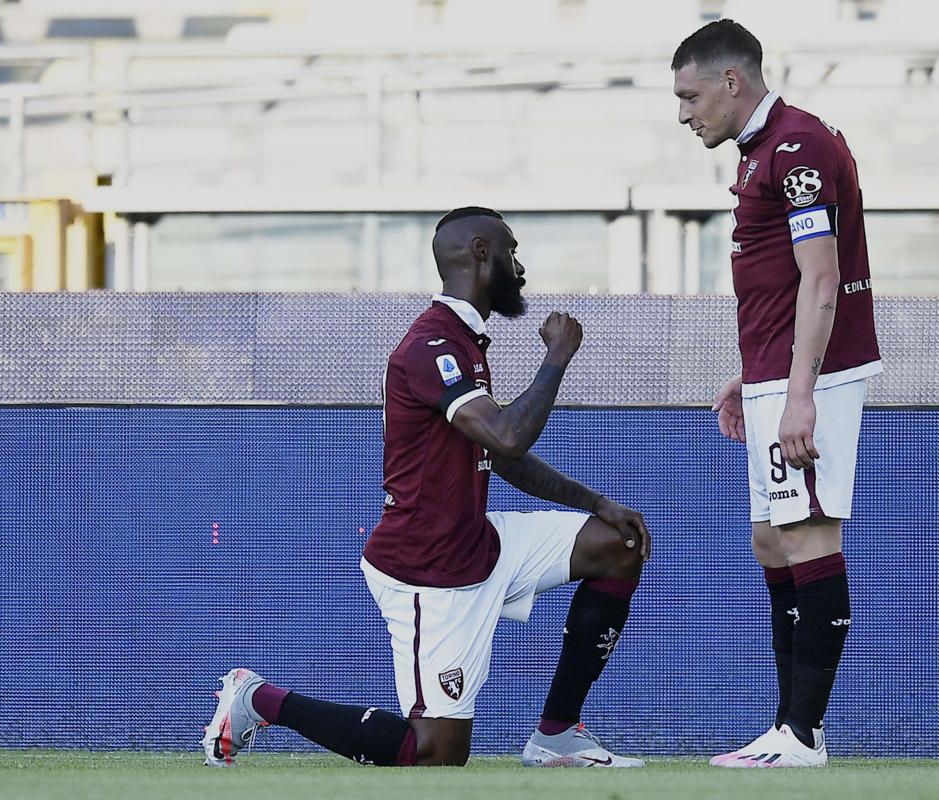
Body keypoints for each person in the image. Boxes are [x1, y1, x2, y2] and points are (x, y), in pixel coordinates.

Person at [202, 206, 650, 769]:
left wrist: (596, 503)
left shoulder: (466, 341)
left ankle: (557, 736)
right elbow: (508, 436)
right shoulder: (431, 345)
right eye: (512, 251)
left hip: (481, 543)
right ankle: (257, 699)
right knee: (435, 752)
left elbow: (500, 455)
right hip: (428, 570)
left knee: (619, 544)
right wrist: (556, 359)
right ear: (482, 253)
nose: (521, 267)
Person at [672, 21, 882, 768]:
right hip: (778, 370)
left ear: (733, 81)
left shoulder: (796, 147)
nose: (684, 112)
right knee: (771, 537)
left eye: (690, 95)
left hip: (812, 379)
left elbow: (821, 276)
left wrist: (799, 394)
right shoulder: (767, 148)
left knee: (807, 532)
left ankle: (801, 735)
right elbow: (785, 279)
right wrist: (756, 371)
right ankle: (792, 727)